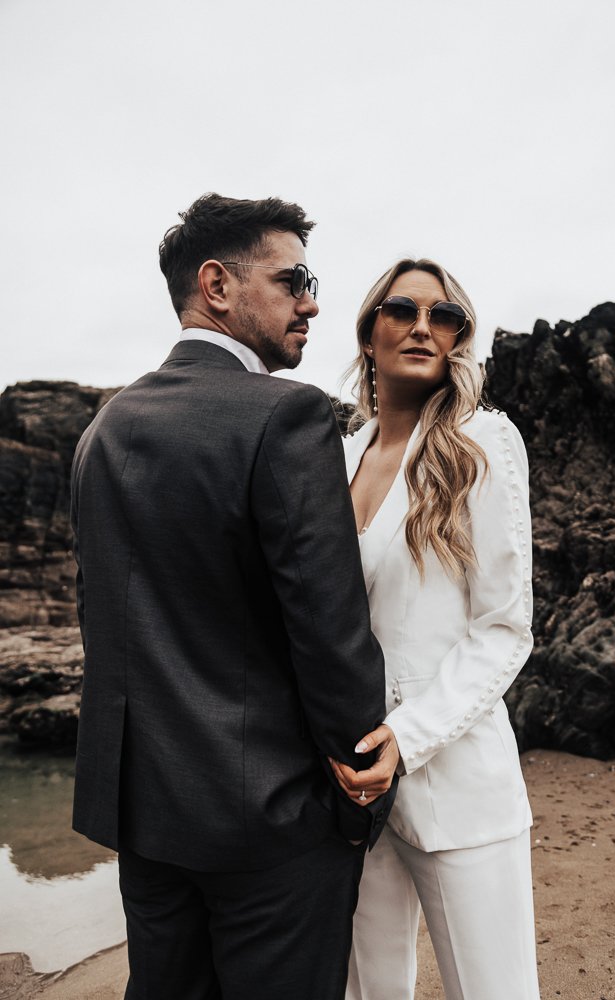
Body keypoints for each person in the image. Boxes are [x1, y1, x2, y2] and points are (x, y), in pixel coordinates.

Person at [70, 193, 397, 1000]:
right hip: (271, 824)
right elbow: (328, 629)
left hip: (145, 821)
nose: (313, 302)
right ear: (216, 286)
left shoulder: (103, 430)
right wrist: (356, 798)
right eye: (293, 281)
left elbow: (107, 624)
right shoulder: (285, 416)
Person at [329, 258, 541, 999]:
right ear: (366, 333)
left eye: (442, 315)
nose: (423, 325)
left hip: (455, 782)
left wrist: (408, 738)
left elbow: (504, 628)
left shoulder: (483, 441)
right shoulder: (337, 456)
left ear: (457, 338)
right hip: (347, 788)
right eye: (400, 309)